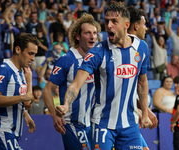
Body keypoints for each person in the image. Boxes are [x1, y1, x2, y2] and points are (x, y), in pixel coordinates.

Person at [56, 2, 152, 150]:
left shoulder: (142, 47)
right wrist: (66, 105)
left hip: (130, 125)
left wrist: (145, 113)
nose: (109, 25)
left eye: (114, 21)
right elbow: (76, 84)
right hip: (102, 124)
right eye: (107, 21)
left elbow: (142, 83)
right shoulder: (97, 52)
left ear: (127, 24)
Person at [42, 13, 101, 150]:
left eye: (95, 33)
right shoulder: (67, 59)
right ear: (78, 36)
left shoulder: (95, 60)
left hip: (90, 124)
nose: (92, 36)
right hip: (71, 123)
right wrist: (54, 116)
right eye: (88, 33)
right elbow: (46, 91)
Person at [0, 33, 38, 149]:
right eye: (30, 53)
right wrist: (22, 97)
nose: (33, 58)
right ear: (18, 49)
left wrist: (25, 113)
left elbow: (27, 103)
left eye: (35, 54)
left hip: (12, 134)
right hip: (1, 131)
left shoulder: (21, 73)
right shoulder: (3, 70)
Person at [127, 6, 158, 150]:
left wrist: (145, 110)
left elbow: (129, 91)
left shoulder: (141, 48)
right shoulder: (138, 47)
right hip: (119, 120)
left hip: (130, 115)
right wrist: (142, 111)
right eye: (144, 24)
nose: (146, 28)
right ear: (135, 26)